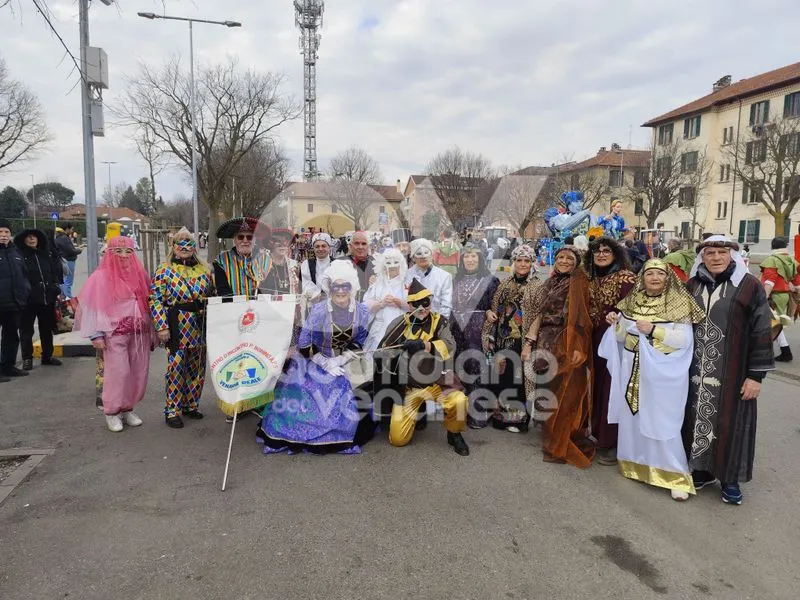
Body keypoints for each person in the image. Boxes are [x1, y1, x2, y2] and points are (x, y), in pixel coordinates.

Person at [600, 259, 705, 501]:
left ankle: (674, 475)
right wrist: (616, 326)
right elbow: (621, 336)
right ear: (642, 278)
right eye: (650, 274)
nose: (655, 278)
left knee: (660, 420)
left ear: (668, 278)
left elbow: (684, 341)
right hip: (631, 366)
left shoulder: (679, 302)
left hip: (661, 371)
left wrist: (654, 330)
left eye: (660, 274)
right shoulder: (631, 300)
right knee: (632, 417)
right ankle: (634, 463)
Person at [683, 236, 775, 505]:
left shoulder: (749, 286)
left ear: (732, 256)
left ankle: (730, 478)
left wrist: (755, 376)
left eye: (722, 252)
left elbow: (761, 331)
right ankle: (701, 469)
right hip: (696, 369)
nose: (715, 257)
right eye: (710, 253)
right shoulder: (692, 285)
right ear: (702, 257)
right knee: (696, 416)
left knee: (731, 423)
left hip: (733, 370)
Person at [258, 261, 374, 454]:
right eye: (335, 286)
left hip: (344, 362)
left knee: (351, 398)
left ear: (351, 287)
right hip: (314, 362)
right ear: (329, 288)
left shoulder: (361, 310)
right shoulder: (320, 310)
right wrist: (325, 362)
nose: (340, 291)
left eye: (345, 286)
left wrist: (341, 359)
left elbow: (361, 338)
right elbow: (304, 343)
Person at [375, 278, 470, 456]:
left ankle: (454, 433)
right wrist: (398, 350)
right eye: (417, 304)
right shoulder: (399, 323)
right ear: (410, 305)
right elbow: (383, 352)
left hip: (437, 383)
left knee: (459, 400)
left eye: (426, 303)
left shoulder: (439, 321)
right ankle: (417, 411)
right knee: (398, 440)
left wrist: (424, 345)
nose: (423, 308)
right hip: (408, 388)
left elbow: (450, 346)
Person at [522, 246, 593, 467]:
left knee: (564, 390)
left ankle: (562, 438)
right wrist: (529, 342)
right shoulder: (551, 281)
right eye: (560, 257)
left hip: (566, 341)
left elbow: (581, 317)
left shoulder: (578, 282)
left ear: (576, 262)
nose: (563, 261)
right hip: (545, 339)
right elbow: (540, 314)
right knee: (548, 388)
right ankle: (551, 433)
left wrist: (577, 347)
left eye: (568, 258)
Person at [75, 236, 155, 432]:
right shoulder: (100, 277)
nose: (123, 256)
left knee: (138, 373)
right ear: (109, 253)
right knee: (118, 373)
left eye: (128, 251)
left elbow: (149, 304)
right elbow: (93, 307)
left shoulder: (140, 274)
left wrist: (153, 331)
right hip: (114, 333)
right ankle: (112, 411)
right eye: (118, 251)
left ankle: (128, 408)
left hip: (139, 333)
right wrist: (96, 334)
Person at [149, 229, 215, 429]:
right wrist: (161, 326)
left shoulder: (204, 270)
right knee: (176, 366)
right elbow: (155, 300)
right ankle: (172, 409)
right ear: (174, 247)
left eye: (189, 244)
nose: (185, 248)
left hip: (200, 322)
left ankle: (191, 404)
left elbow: (213, 295)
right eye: (181, 244)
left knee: (197, 365)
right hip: (177, 321)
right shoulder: (164, 270)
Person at [584, 236, 636, 465]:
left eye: (606, 251)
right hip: (594, 339)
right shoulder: (590, 278)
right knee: (595, 387)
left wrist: (619, 321)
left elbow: (634, 310)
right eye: (597, 252)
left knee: (612, 389)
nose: (601, 255)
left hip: (617, 341)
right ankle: (597, 433)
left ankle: (611, 442)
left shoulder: (626, 278)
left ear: (615, 254)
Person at [481, 244, 537, 431]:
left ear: (532, 263)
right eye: (519, 260)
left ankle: (518, 421)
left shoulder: (537, 285)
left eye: (526, 260)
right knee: (502, 377)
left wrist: (529, 342)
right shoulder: (505, 283)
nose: (522, 264)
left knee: (518, 379)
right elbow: (494, 304)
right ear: (514, 262)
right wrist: (489, 312)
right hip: (502, 338)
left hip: (521, 339)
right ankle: (501, 418)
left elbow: (539, 315)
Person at [452, 243, 500, 429]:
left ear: (480, 259)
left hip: (478, 332)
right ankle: (461, 410)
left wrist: (489, 316)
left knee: (477, 370)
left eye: (474, 256)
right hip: (458, 331)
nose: (470, 260)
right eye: (466, 257)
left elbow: (496, 309)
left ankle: (479, 414)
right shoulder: (455, 280)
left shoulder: (490, 280)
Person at [14, 228, 63, 371]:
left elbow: (54, 272)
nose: (31, 239)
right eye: (28, 237)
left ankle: (47, 356)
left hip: (47, 297)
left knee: (47, 329)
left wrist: (55, 287)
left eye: (34, 237)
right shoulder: (20, 255)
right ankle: (27, 358)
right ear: (23, 239)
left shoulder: (45, 254)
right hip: (28, 300)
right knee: (26, 330)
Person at [760, 237, 800, 362]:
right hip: (784, 296)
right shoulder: (791, 260)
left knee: (769, 324)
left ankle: (765, 354)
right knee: (775, 322)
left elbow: (769, 281)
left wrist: (764, 297)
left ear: (772, 246)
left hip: (773, 296)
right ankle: (785, 351)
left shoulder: (772, 260)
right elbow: (797, 281)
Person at [0, 219, 31, 380]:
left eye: (6, 232)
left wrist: (25, 292)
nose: (3, 235)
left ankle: (7, 366)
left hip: (14, 303)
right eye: (0, 232)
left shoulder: (15, 252)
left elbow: (24, 275)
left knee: (11, 336)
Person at [363, 248, 408, 358]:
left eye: (396, 262)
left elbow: (418, 307)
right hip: (379, 330)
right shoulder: (376, 284)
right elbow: (365, 307)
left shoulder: (408, 282)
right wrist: (381, 303)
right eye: (388, 262)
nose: (392, 266)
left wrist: (399, 303)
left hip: (402, 329)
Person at [213, 217, 272, 297]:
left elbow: (267, 289)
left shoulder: (265, 259)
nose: (245, 241)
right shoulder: (221, 260)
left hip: (258, 306)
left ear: (254, 240)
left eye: (249, 237)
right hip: (232, 306)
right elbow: (223, 290)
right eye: (240, 237)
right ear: (234, 239)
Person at [405, 238, 453, 318]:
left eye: (426, 252)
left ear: (432, 254)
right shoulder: (407, 275)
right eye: (419, 253)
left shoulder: (444, 276)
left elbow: (446, 305)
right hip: (412, 323)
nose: (423, 256)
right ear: (413, 257)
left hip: (435, 323)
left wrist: (439, 325)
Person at [336, 231, 374, 302]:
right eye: (357, 243)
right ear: (350, 246)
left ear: (368, 246)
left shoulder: (376, 262)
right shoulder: (340, 263)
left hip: (371, 306)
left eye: (364, 244)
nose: (360, 247)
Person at [261, 228, 300, 295]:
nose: (282, 246)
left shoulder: (294, 265)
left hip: (290, 303)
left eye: (285, 242)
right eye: (278, 242)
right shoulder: (262, 265)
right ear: (270, 244)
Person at [300, 232, 333, 304]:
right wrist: (317, 295)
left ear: (329, 247)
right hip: (314, 304)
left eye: (323, 246)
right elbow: (306, 284)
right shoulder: (307, 264)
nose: (320, 249)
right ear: (313, 248)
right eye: (317, 246)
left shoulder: (337, 264)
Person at [54, 223, 82, 299]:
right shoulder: (64, 238)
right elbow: (70, 250)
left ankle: (63, 296)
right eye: (71, 229)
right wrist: (79, 250)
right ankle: (68, 297)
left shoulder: (59, 238)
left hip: (64, 260)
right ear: (67, 229)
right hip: (68, 260)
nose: (72, 231)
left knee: (64, 280)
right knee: (68, 281)